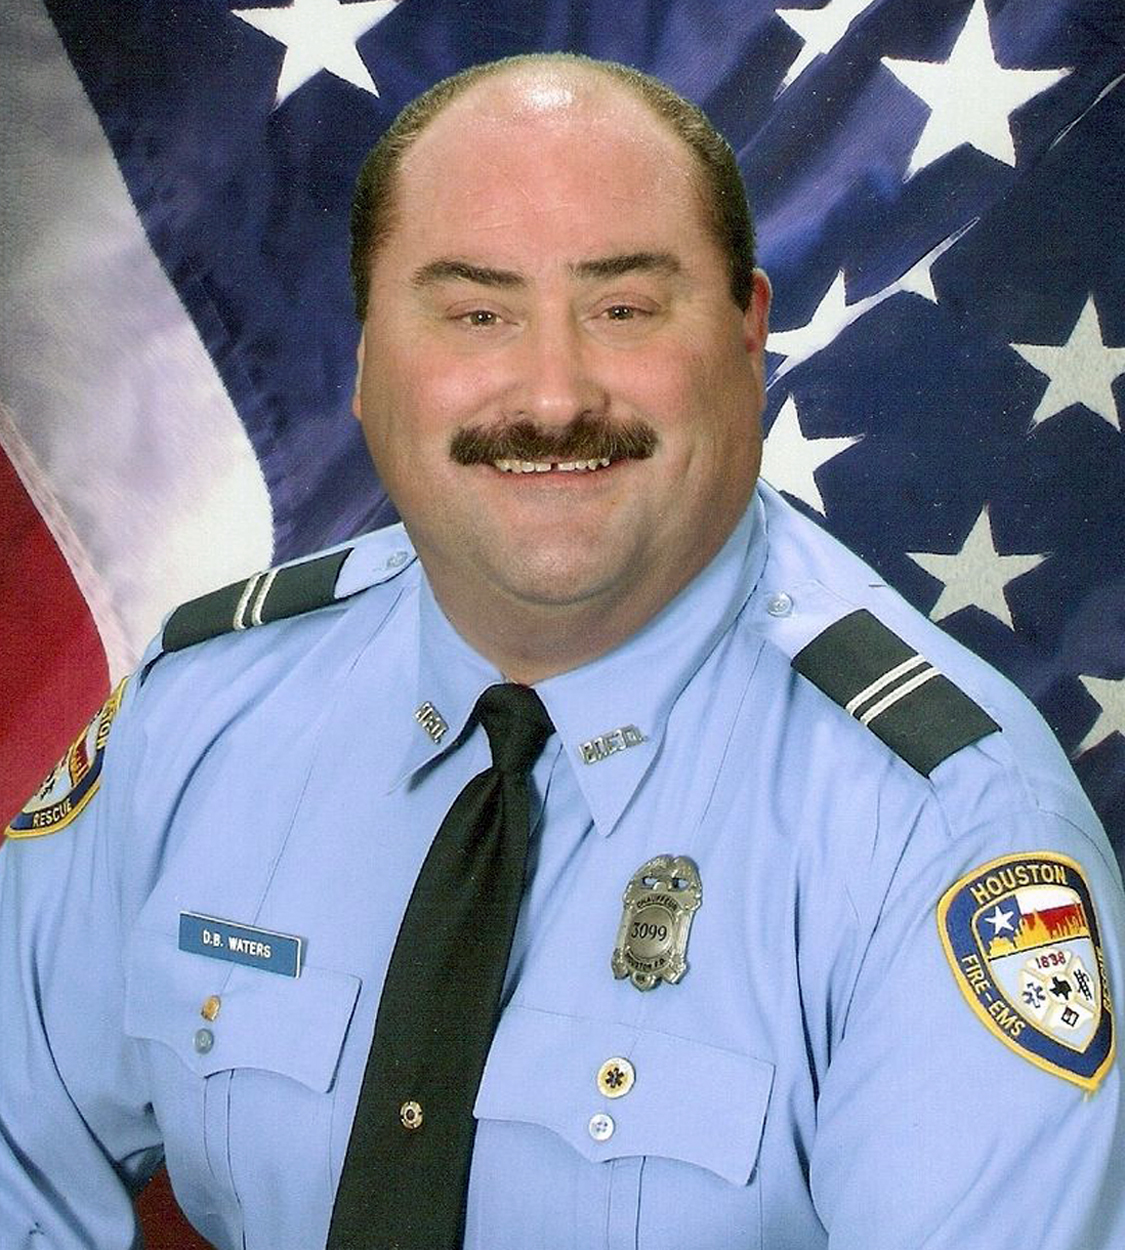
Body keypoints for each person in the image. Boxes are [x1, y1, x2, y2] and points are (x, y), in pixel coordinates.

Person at [2, 51, 1123, 1250]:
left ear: (748, 332)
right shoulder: (205, 709)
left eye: (623, 309)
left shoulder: (941, 831)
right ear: (368, 359)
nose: (550, 395)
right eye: (477, 313)